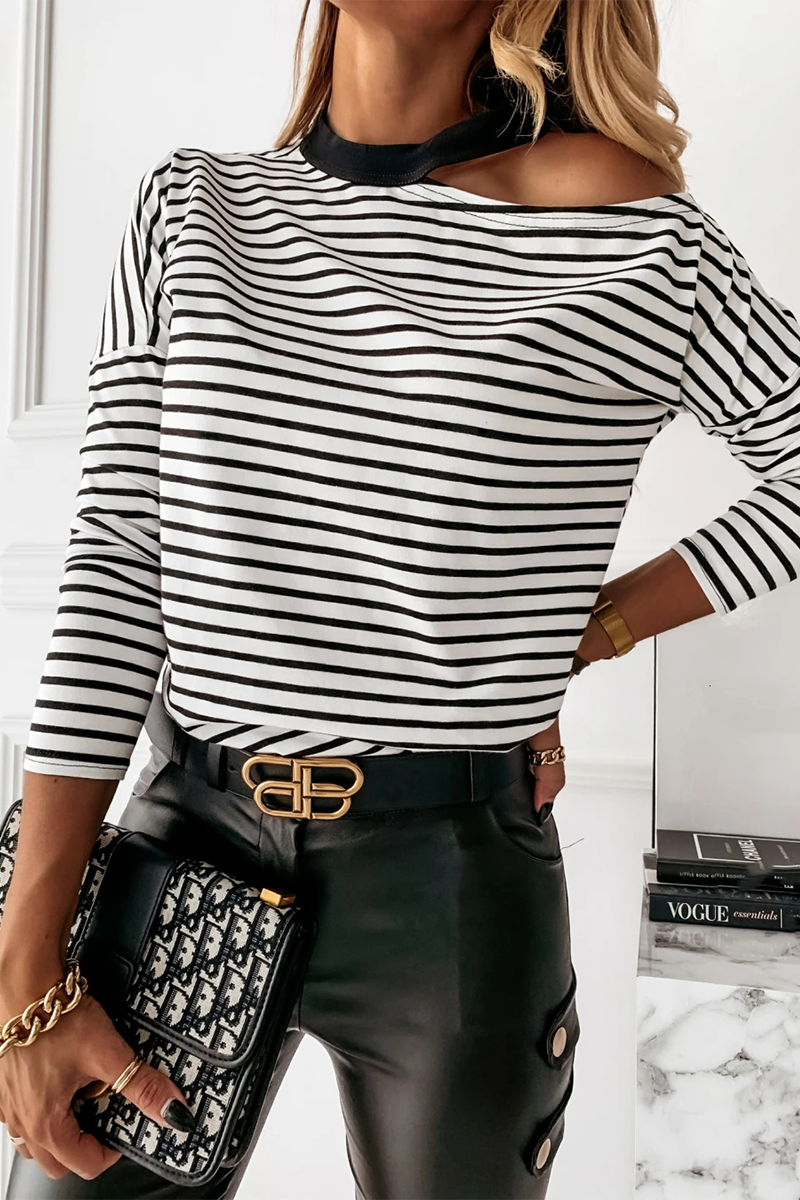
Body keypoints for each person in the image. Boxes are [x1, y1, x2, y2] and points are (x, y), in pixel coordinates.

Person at [2, 0, 799, 1197]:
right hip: (186, 846)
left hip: (454, 887)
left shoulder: (632, 238)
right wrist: (24, 970)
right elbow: (115, 566)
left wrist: (596, 626)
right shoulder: (193, 206)